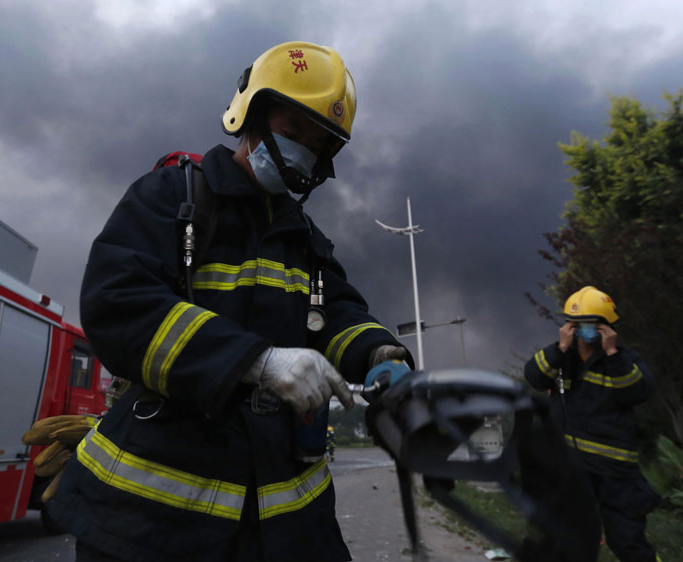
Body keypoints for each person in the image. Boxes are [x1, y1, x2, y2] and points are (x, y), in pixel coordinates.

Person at [46, 41, 411, 562]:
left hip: (286, 532)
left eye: (318, 142)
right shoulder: (172, 198)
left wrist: (383, 356)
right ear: (252, 116)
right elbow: (118, 305)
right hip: (148, 526)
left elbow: (337, 312)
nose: (304, 150)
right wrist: (256, 362)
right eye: (292, 132)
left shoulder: (303, 237)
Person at [523, 286, 659, 562]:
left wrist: (612, 355)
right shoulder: (562, 358)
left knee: (627, 542)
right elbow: (534, 377)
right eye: (578, 324)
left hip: (615, 472)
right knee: (570, 541)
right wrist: (560, 348)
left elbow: (638, 392)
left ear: (606, 328)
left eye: (592, 324)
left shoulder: (625, 360)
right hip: (572, 468)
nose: (585, 331)